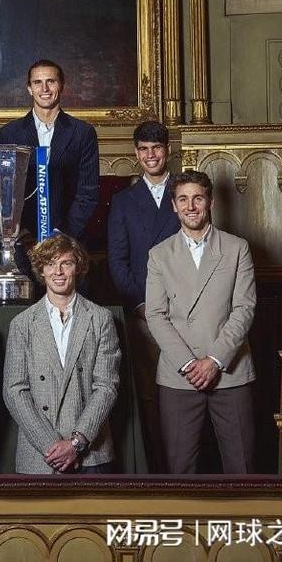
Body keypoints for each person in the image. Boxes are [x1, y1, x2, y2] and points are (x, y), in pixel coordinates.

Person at [145, 170, 257, 475]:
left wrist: (215, 360)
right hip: (179, 375)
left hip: (230, 372)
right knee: (180, 471)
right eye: (183, 199)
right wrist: (189, 364)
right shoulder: (159, 255)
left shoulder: (236, 248)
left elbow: (244, 308)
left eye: (198, 198)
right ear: (174, 205)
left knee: (242, 469)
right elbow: (155, 315)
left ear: (211, 202)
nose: (190, 206)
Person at [3, 234, 120, 474]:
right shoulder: (22, 324)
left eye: (66, 263)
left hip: (91, 455)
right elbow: (14, 390)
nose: (58, 271)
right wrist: (51, 446)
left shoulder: (101, 319)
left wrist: (76, 444)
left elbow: (106, 386)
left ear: (78, 268)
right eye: (50, 264)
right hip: (39, 455)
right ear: (41, 270)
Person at [107, 121, 180, 473]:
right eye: (144, 149)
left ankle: (190, 474)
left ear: (168, 150)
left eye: (157, 148)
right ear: (136, 154)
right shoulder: (124, 201)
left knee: (186, 393)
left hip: (186, 311)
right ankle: (158, 474)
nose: (151, 155)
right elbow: (117, 261)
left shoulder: (186, 192)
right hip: (144, 314)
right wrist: (141, 304)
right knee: (152, 396)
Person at [0, 60, 99, 248]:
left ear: (62, 86)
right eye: (37, 82)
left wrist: (63, 236)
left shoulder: (83, 133)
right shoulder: (8, 134)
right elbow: (3, 193)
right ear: (29, 88)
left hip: (68, 241)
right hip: (23, 241)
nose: (45, 89)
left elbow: (88, 192)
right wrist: (20, 234)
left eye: (51, 81)